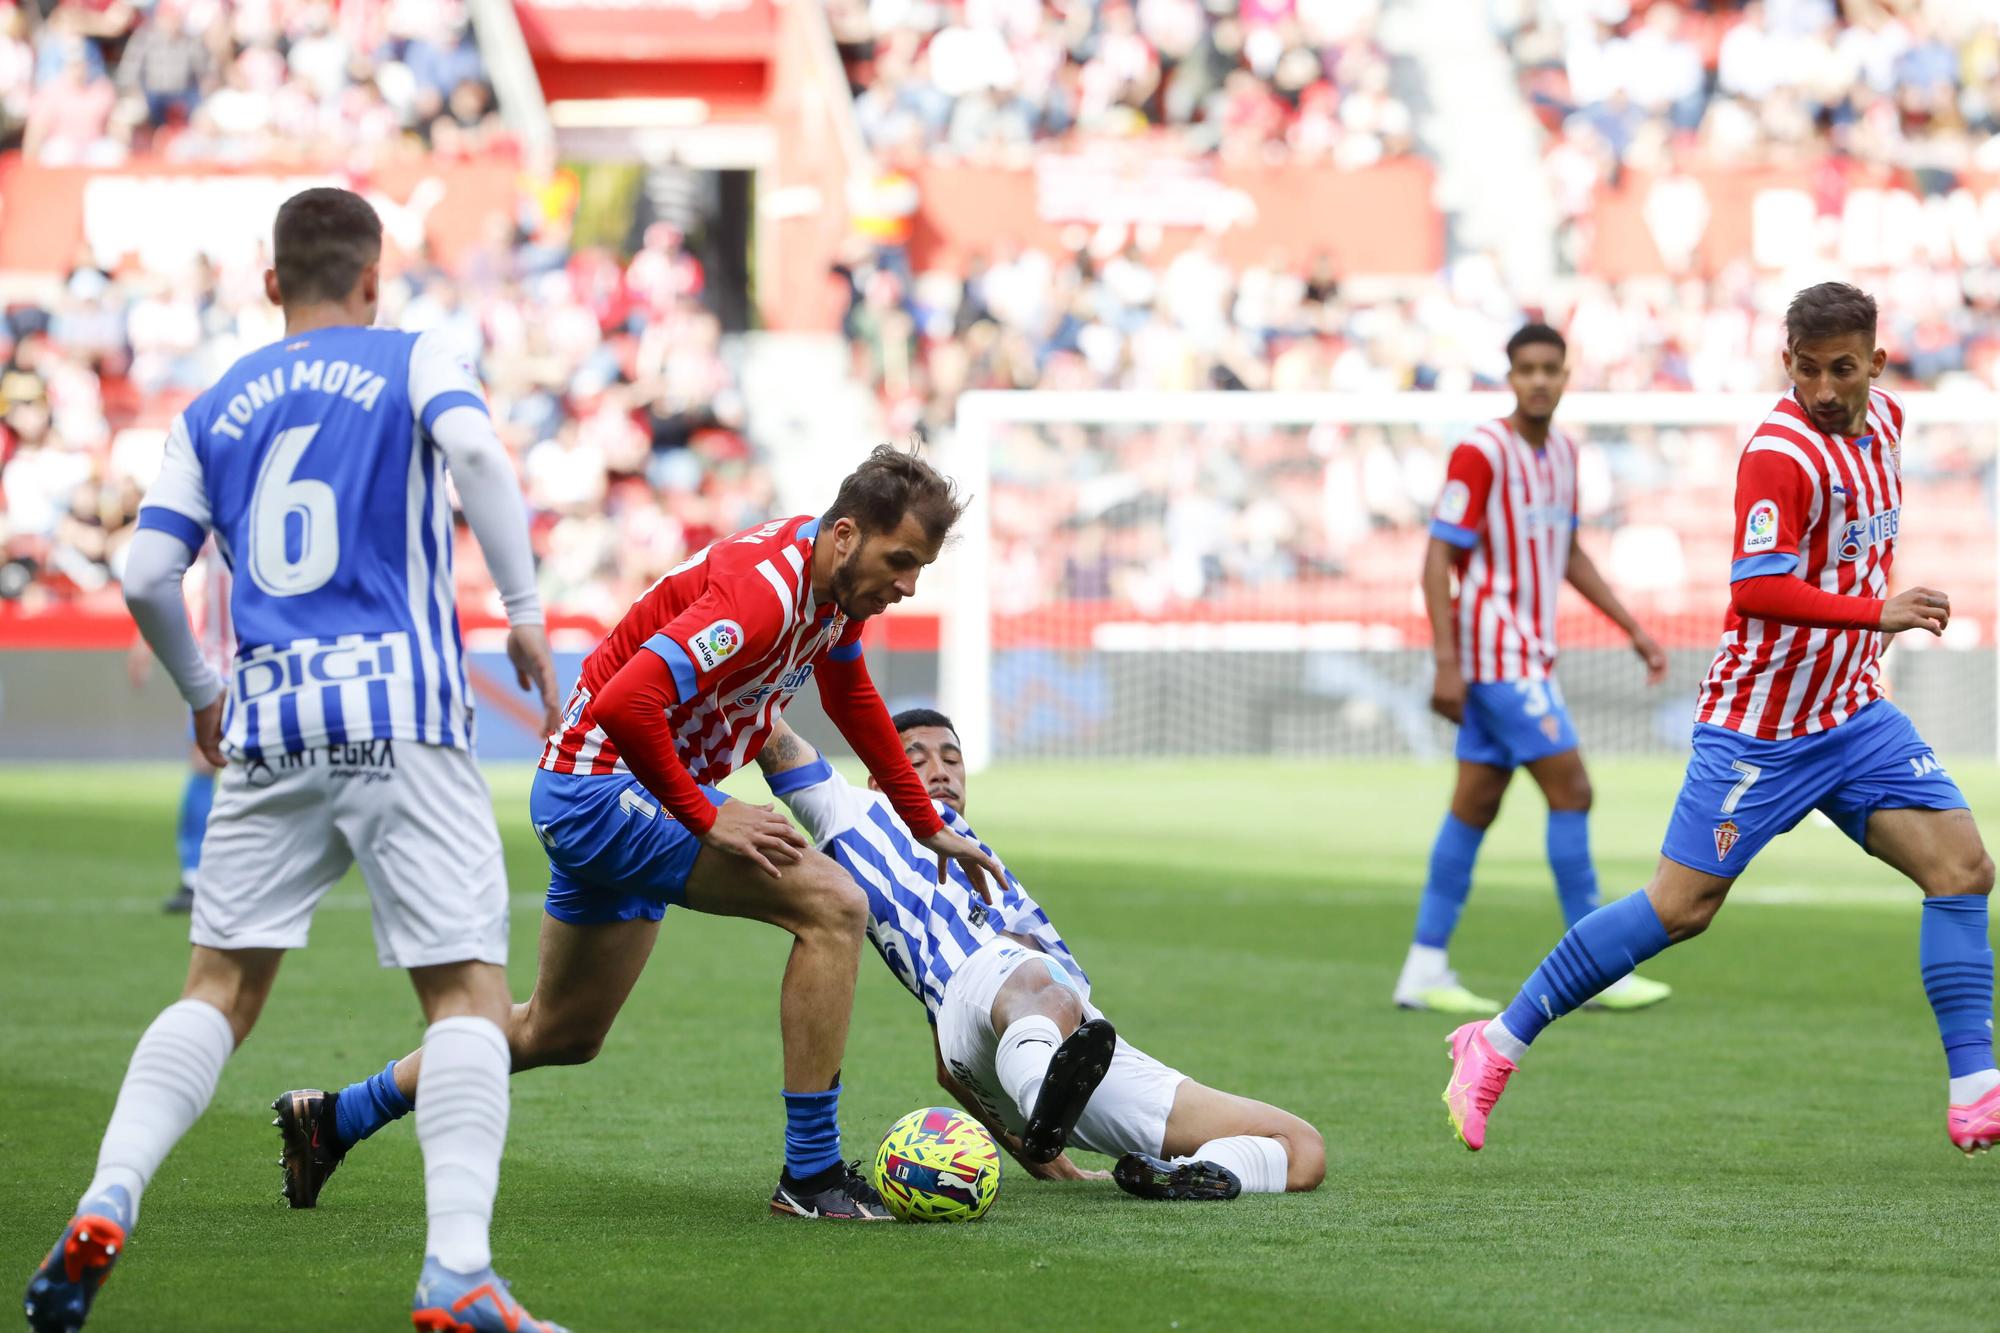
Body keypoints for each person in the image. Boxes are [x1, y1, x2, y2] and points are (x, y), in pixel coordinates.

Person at [23, 188, 568, 1333]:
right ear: (373, 278)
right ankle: (456, 1274)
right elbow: (470, 443)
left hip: (269, 723)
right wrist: (523, 608)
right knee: (465, 997)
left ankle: (106, 1196)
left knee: (217, 991)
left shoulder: (212, 405)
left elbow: (140, 577)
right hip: (402, 713)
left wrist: (204, 694)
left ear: (272, 284)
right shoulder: (413, 357)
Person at [274, 447, 1008, 1222]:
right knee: (834, 905)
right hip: (601, 791)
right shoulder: (762, 596)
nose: (908, 585)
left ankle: (335, 1117)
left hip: (609, 793)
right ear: (848, 534)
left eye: (919, 568)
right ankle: (812, 1173)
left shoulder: (833, 596)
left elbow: (851, 692)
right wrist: (707, 811)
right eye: (901, 561)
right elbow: (628, 703)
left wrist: (927, 824)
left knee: (559, 1030)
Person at [1442, 282, 1998, 1156]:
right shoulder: (1778, 453)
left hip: (1851, 711)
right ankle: (1497, 1038)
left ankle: (1976, 1090)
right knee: (1680, 907)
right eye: (1806, 369)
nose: (1821, 388)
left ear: (1876, 366)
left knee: (1963, 869)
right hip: (1761, 729)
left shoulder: (1887, 423)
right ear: (1787, 363)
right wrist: (1876, 614)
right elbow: (1757, 586)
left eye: (1840, 370)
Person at [756, 713, 1327, 1199]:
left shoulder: (984, 859)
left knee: (1299, 1149)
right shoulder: (852, 811)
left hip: (1064, 1038)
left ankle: (1179, 1174)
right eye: (916, 757)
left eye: (953, 758)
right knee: (1037, 975)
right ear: (880, 777)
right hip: (1024, 1013)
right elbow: (768, 732)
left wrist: (1040, 1159)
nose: (940, 769)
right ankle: (1043, 1099)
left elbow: (949, 1069)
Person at [1396, 323, 1672, 1015]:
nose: (1540, 380)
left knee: (1475, 805)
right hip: (1496, 656)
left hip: (1523, 652)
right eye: (1527, 369)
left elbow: (1567, 551)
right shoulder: (1481, 451)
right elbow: (1437, 557)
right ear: (1510, 376)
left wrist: (1632, 627)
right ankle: (1600, 967)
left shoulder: (1565, 454)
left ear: (1567, 374)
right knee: (1572, 789)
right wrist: (1447, 662)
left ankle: (1423, 967)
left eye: (1551, 368)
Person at [129, 537, 230, 913]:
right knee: (205, 763)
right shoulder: (218, 510)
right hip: (218, 664)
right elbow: (172, 576)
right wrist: (145, 637)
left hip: (263, 660)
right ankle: (194, 874)